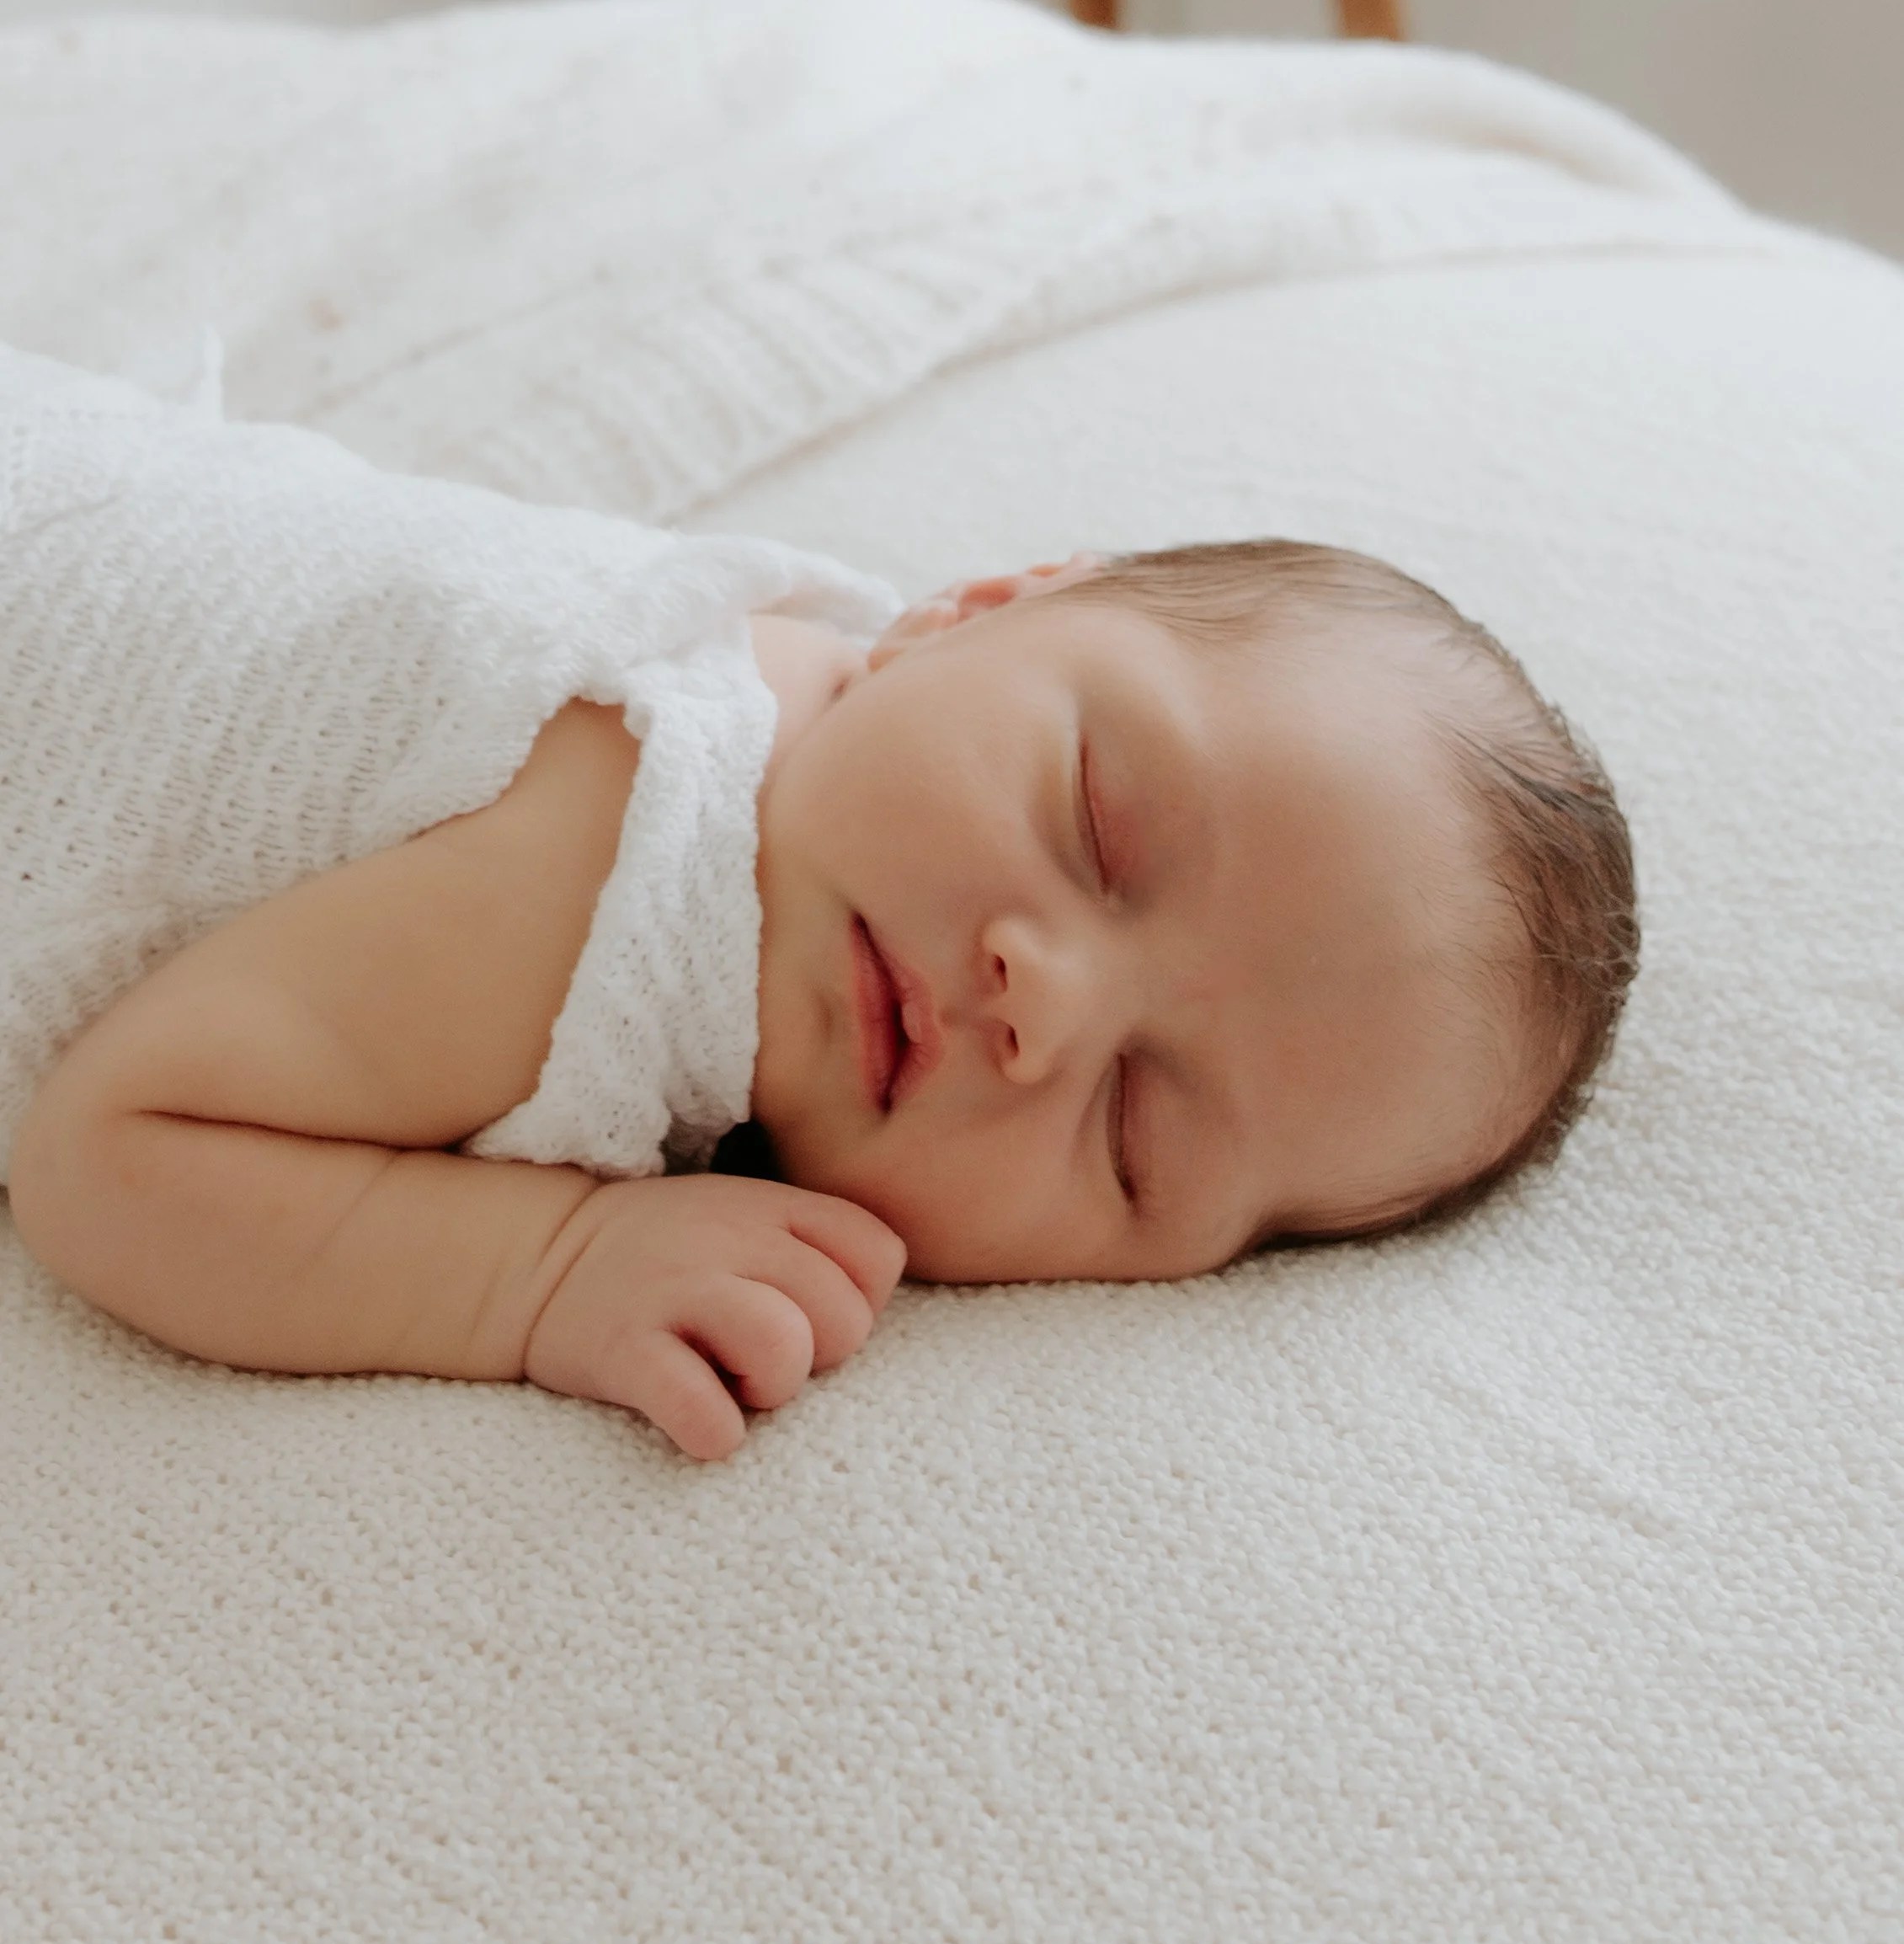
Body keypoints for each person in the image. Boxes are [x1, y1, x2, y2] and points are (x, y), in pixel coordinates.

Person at [3, 342, 1637, 1462]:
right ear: (979, 604)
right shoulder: (620, 861)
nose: (1043, 1004)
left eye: (1136, 1128)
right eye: (1095, 820)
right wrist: (540, 1270)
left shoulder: (806, 679)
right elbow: (110, 1153)